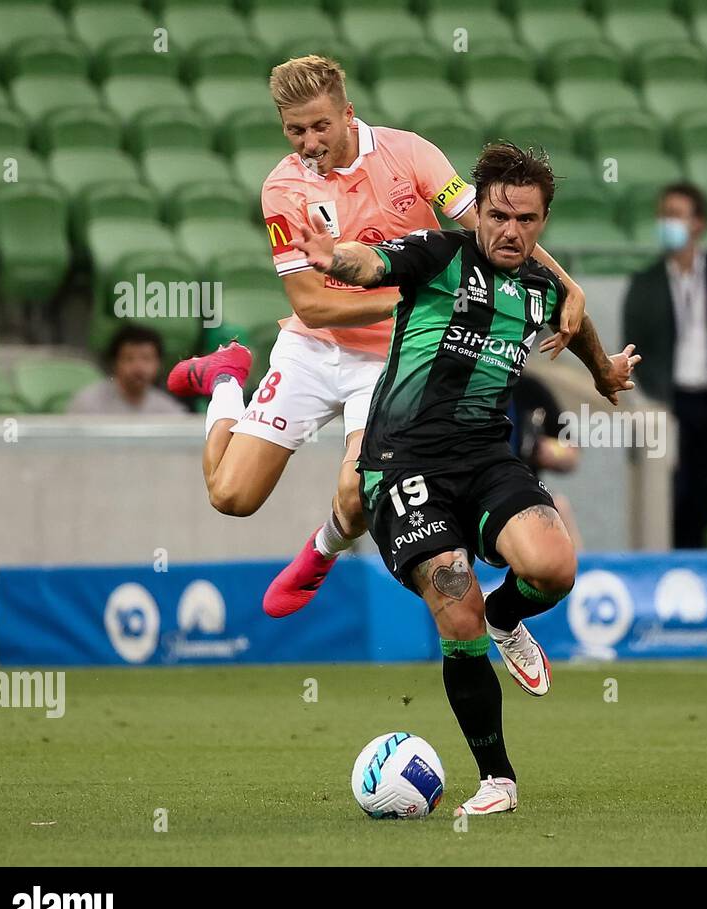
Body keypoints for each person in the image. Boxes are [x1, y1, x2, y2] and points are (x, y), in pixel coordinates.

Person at [163, 55, 585, 618]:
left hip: (392, 359)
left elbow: (495, 226)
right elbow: (312, 305)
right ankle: (224, 379)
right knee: (231, 497)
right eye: (295, 130)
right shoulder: (282, 190)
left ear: (347, 113)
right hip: (314, 346)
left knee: (362, 488)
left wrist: (564, 285)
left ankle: (319, 553)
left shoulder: (410, 154)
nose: (310, 141)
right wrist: (417, 298)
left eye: (321, 126)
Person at [292, 142, 639, 815]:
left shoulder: (543, 288)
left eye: (528, 220)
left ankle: (511, 618)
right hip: (403, 463)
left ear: (542, 223)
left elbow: (577, 317)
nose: (512, 231)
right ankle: (497, 780)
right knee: (457, 602)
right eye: (500, 215)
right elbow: (374, 262)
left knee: (555, 568)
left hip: (485, 456)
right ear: (477, 211)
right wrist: (335, 257)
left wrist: (602, 373)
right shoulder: (439, 254)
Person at [622, 182, 707, 549]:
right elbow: (633, 350)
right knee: (669, 500)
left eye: (677, 215)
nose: (668, 223)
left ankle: (693, 580)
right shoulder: (645, 283)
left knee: (702, 503)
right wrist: (648, 402)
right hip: (668, 405)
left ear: (698, 223)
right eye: (664, 215)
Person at [507, 373, 583, 549]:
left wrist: (547, 449)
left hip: (524, 490)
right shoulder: (461, 389)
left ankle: (574, 573)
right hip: (473, 491)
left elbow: (571, 452)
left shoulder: (529, 389)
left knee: (559, 507)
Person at [68, 325, 186, 415]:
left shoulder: (169, 410)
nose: (138, 367)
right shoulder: (87, 404)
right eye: (129, 359)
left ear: (159, 364)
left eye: (146, 359)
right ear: (114, 363)